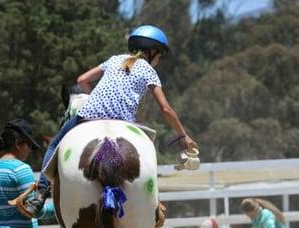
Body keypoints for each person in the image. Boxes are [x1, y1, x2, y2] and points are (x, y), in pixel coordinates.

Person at [22, 25, 199, 217]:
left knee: (55, 143)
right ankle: (153, 204)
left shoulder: (114, 59)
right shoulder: (149, 71)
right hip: (123, 121)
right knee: (147, 150)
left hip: (88, 115)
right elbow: (166, 109)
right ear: (152, 50)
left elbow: (82, 80)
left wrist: (96, 99)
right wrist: (183, 135)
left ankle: (40, 193)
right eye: (160, 55)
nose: (159, 59)